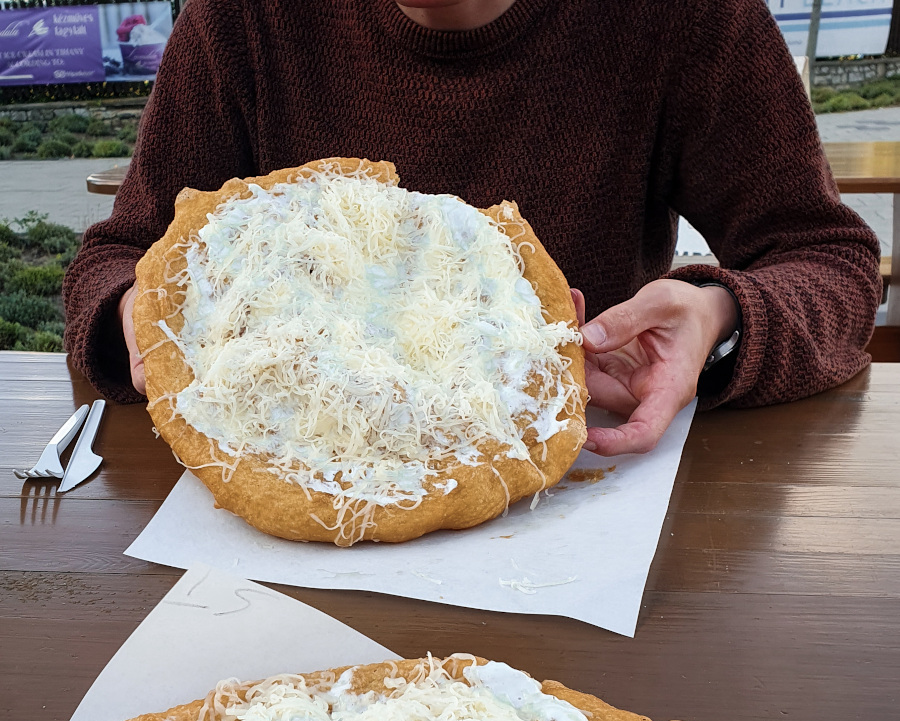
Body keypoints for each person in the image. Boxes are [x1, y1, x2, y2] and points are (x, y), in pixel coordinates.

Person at [63, 0, 881, 457]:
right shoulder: (242, 22)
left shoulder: (687, 23)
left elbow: (830, 262)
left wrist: (718, 315)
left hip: (580, 506)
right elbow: (119, 257)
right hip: (282, 502)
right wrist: (137, 312)